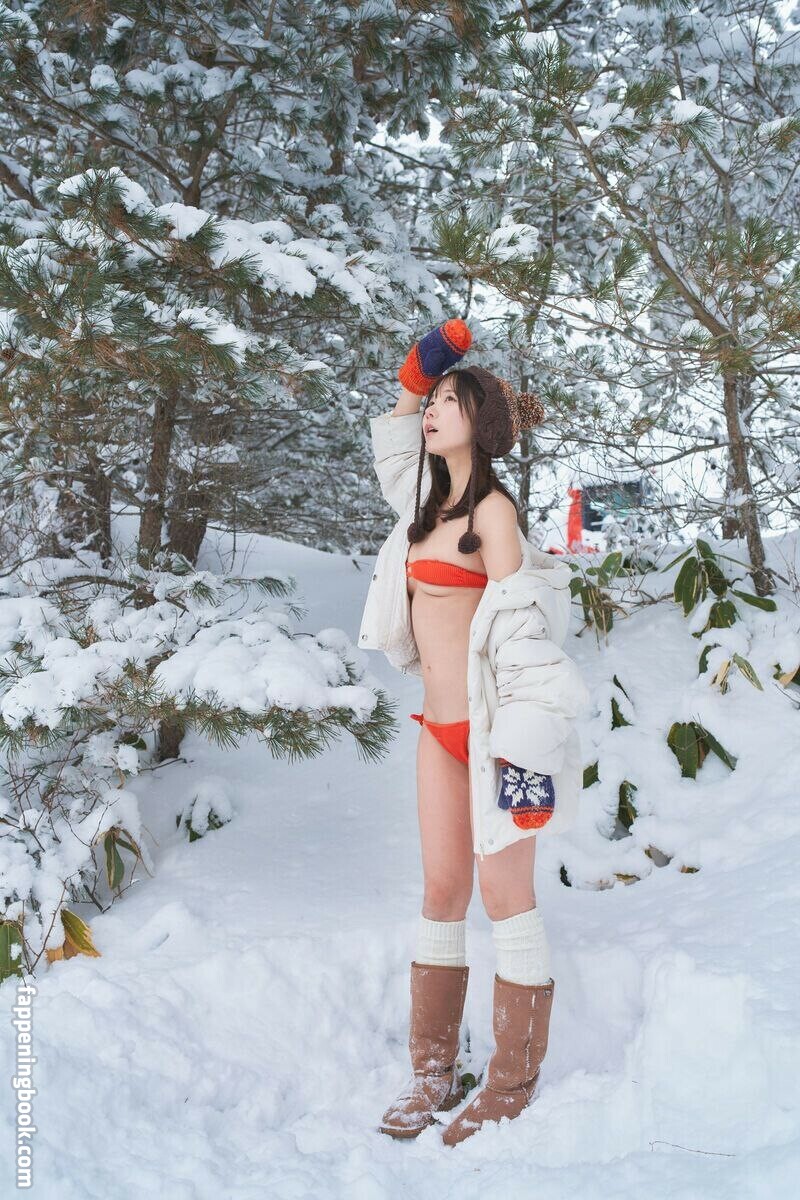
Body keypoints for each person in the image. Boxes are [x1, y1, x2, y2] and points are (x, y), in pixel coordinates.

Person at [357, 320, 591, 1146]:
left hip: (495, 736)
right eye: (435, 402)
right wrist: (419, 373)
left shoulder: (493, 515)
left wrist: (525, 755)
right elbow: (396, 441)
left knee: (504, 898)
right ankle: (432, 1072)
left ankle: (511, 1079)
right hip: (437, 731)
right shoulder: (422, 503)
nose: (432, 412)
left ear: (480, 422)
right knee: (442, 891)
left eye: (449, 402)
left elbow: (526, 636)